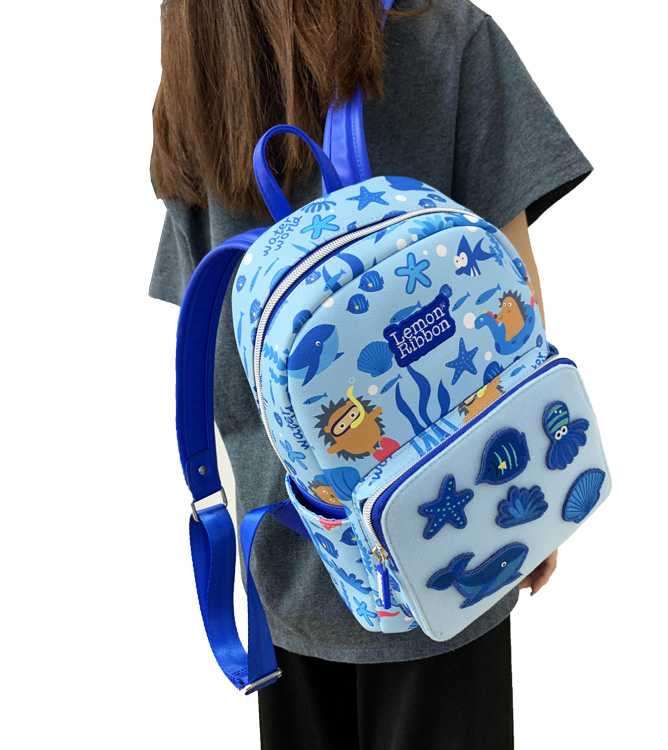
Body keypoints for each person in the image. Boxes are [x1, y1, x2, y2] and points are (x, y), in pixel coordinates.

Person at [148, 1, 592, 747]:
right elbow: (510, 299)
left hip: (287, 548)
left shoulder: (199, 57)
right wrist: (536, 493)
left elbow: (212, 331)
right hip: (452, 548)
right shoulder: (444, 34)